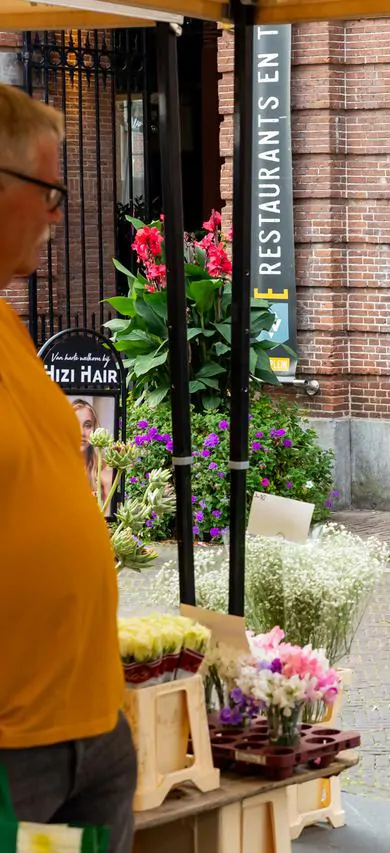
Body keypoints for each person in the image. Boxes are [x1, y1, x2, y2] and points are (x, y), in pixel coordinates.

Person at [0, 84, 136, 852]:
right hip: (13, 745)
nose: (58, 215)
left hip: (88, 723)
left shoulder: (8, 324)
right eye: (48, 191)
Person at [71, 398, 113, 508]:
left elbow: (110, 516)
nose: (81, 433)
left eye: (87, 425)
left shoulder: (106, 474)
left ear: (95, 429)